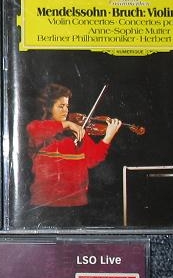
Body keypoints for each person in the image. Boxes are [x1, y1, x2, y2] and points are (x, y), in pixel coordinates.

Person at [26, 84, 122, 221]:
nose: (66, 110)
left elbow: (93, 159)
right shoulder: (38, 128)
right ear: (48, 108)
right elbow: (34, 129)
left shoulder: (77, 132)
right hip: (44, 204)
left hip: (76, 203)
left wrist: (108, 137)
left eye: (67, 106)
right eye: (61, 106)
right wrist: (68, 124)